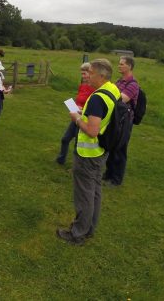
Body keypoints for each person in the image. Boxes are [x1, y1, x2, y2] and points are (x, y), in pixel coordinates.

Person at [57, 59, 120, 246]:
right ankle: (90, 228)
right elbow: (101, 117)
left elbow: (92, 130)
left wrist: (77, 118)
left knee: (84, 194)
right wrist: (85, 112)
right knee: (95, 191)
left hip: (88, 155)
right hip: (102, 150)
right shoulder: (113, 90)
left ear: (101, 76)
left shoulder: (96, 97)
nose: (87, 76)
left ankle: (78, 233)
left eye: (91, 73)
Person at [103, 56, 139, 186]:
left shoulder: (133, 84)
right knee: (111, 145)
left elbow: (121, 99)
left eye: (122, 64)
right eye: (119, 64)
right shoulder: (119, 81)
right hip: (116, 119)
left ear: (129, 66)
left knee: (120, 149)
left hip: (125, 121)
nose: (119, 66)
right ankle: (108, 174)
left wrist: (109, 94)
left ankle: (117, 179)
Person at [57, 62, 96, 164]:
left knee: (77, 145)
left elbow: (93, 107)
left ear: (90, 73)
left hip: (84, 119)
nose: (83, 76)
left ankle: (76, 166)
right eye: (81, 74)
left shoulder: (94, 89)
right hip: (75, 118)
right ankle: (60, 160)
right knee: (65, 139)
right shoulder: (82, 86)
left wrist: (82, 109)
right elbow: (79, 99)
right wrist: (73, 105)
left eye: (84, 74)